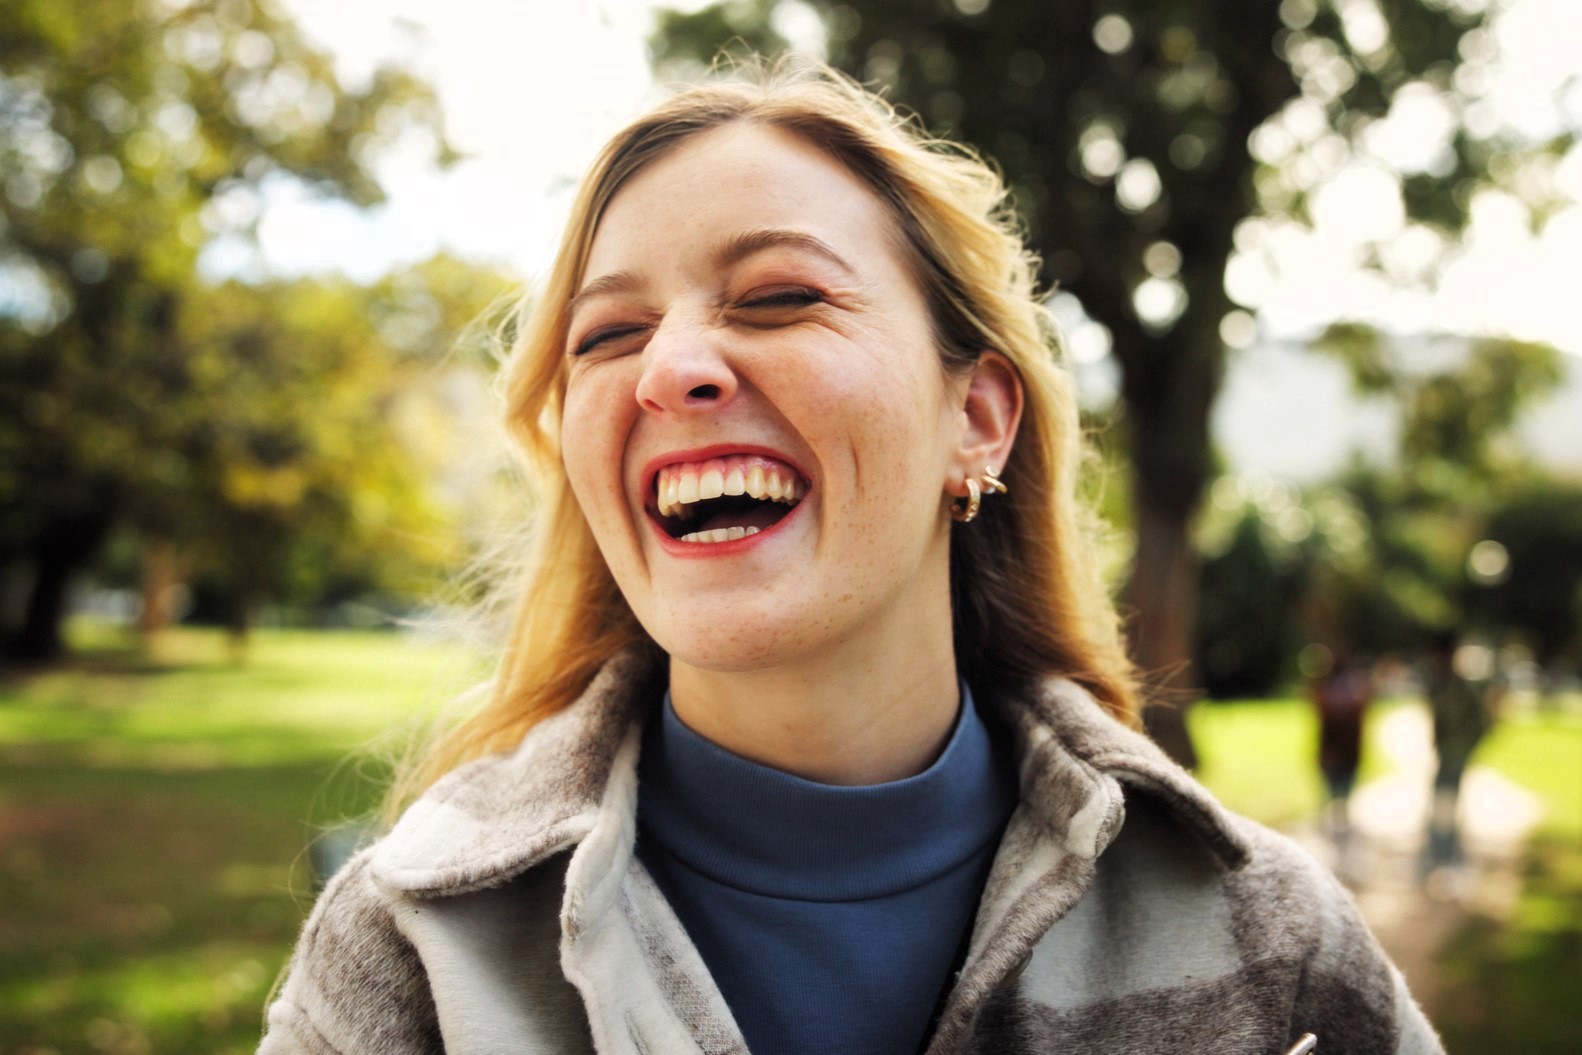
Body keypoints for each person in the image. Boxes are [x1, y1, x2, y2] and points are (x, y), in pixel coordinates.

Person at [259, 59, 1442, 1055]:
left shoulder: (1267, 940)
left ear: (974, 419)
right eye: (609, 333)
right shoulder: (410, 946)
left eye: (776, 297)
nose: (669, 367)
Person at [1421, 632, 1492, 882]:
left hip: (1455, 755)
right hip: (1445, 754)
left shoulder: (1461, 687)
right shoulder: (1440, 683)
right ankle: (1439, 856)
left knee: (1446, 805)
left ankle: (1447, 858)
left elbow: (1482, 722)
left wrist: (1463, 747)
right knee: (1441, 803)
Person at [1310, 650, 1372, 857]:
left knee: (1337, 796)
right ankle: (1337, 834)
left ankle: (1338, 836)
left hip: (1340, 752)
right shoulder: (1352, 691)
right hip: (1344, 752)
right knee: (1338, 796)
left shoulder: (1330, 691)